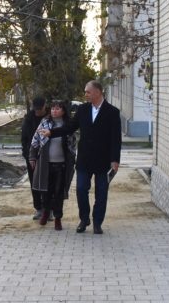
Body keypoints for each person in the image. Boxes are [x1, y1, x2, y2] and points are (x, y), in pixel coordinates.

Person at [43, 80, 121, 234]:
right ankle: (84, 219)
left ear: (98, 92)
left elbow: (116, 139)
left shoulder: (112, 112)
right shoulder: (83, 109)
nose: (85, 94)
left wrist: (115, 160)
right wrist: (52, 133)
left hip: (103, 160)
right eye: (85, 92)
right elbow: (70, 127)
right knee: (80, 190)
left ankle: (97, 223)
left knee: (101, 193)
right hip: (84, 159)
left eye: (88, 92)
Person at [28, 100, 76, 230]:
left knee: (59, 192)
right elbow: (35, 140)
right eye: (53, 108)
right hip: (46, 163)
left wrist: (72, 160)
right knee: (46, 191)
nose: (54, 111)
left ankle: (58, 218)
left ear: (63, 111)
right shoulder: (45, 123)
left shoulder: (67, 126)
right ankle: (46, 212)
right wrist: (32, 156)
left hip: (62, 165)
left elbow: (72, 145)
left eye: (58, 108)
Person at [20, 96, 47, 219]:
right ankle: (38, 208)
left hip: (48, 156)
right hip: (32, 156)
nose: (37, 112)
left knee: (48, 182)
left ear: (44, 106)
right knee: (34, 183)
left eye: (40, 109)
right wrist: (27, 154)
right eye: (36, 109)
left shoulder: (49, 117)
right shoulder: (29, 118)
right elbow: (24, 138)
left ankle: (48, 208)